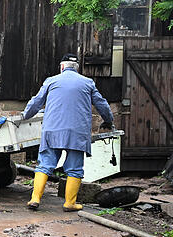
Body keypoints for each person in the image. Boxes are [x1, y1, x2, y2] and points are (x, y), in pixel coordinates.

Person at [22, 56, 113, 211]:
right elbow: (101, 103)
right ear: (76, 68)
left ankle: (35, 199)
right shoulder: (87, 82)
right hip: (77, 133)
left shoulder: (51, 81)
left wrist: (25, 115)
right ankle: (69, 203)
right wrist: (109, 120)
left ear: (62, 67)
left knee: (44, 165)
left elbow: (36, 101)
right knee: (75, 168)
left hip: (52, 131)